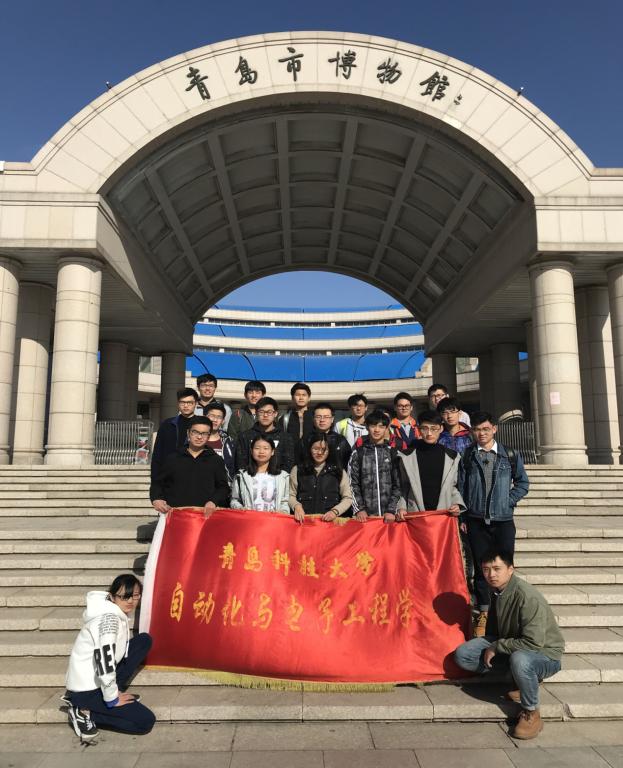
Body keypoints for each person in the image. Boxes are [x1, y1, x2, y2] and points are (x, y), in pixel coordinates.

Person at [454, 549, 564, 740]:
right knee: (464, 654)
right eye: (486, 569)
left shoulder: (527, 597)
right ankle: (520, 679)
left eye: (497, 569)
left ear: (510, 569)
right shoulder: (497, 591)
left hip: (543, 655)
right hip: (512, 644)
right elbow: (495, 632)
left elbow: (533, 642)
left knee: (520, 660)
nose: (491, 574)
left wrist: (496, 647)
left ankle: (531, 712)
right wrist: (490, 644)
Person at [460, 411, 530, 638]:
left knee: (504, 567)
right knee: (482, 568)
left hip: (503, 521)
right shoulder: (468, 455)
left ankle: (507, 612)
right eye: (477, 430)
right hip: (476, 520)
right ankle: (484, 612)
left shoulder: (509, 454)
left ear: (494, 429)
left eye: (485, 429)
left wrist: (507, 502)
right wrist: (463, 517)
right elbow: (461, 488)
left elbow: (522, 483)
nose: (481, 434)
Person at [64, 574, 155, 742]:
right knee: (145, 721)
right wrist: (113, 698)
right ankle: (83, 711)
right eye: (124, 596)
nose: (130, 601)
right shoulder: (109, 621)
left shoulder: (115, 614)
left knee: (143, 641)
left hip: (99, 679)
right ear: (112, 597)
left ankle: (109, 691)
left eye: (135, 595)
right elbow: (104, 662)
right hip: (87, 690)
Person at [150, 415, 230, 516]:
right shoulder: (173, 458)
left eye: (204, 433)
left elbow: (223, 488)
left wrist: (213, 501)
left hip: (204, 516)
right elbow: (157, 483)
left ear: (209, 436)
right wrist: (156, 498)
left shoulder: (216, 460)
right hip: (175, 515)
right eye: (195, 432)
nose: (199, 437)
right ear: (188, 433)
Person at [394, 409, 464, 520]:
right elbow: (403, 486)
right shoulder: (406, 456)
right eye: (425, 428)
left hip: (444, 515)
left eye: (434, 428)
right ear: (418, 429)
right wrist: (401, 507)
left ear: (441, 428)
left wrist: (457, 504)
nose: (429, 433)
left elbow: (452, 487)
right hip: (416, 514)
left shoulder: (452, 456)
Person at [348, 410, 401, 522]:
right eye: (373, 426)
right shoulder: (358, 453)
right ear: (367, 427)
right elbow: (352, 484)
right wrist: (359, 509)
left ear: (386, 428)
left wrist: (392, 510)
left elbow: (399, 484)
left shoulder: (393, 453)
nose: (377, 430)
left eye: (381, 426)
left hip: (390, 517)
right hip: (365, 517)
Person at [290, 434, 352, 522]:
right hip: (304, 523)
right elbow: (290, 495)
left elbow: (348, 498)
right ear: (309, 449)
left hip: (330, 524)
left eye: (324, 449)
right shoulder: (297, 470)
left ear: (329, 450)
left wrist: (335, 511)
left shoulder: (339, 471)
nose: (319, 453)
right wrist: (296, 506)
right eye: (315, 449)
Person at [234, 396, 296, 473]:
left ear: (275, 414)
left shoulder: (285, 437)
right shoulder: (245, 436)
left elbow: (288, 464)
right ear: (256, 413)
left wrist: (277, 477)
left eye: (269, 412)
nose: (265, 415)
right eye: (261, 412)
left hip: (278, 478)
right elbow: (240, 463)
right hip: (250, 478)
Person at [150, 388, 199, 484]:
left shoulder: (201, 425)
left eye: (189, 403)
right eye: (182, 402)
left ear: (196, 404)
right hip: (169, 477)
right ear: (178, 404)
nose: (185, 406)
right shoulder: (167, 424)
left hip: (194, 477)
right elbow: (157, 454)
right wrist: (155, 482)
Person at [230, 434, 290, 513]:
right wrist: (240, 508)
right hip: (249, 519)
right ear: (251, 451)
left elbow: (285, 502)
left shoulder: (282, 476)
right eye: (257, 448)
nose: (261, 452)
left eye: (266, 448)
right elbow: (234, 500)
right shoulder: (241, 476)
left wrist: (282, 512)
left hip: (273, 519)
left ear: (272, 451)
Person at [299, 402, 352, 467]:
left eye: (326, 417)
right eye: (318, 417)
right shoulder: (305, 440)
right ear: (313, 419)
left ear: (332, 419)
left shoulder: (340, 440)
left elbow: (348, 463)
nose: (322, 420)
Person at [204, 402, 235, 479]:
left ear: (223, 421)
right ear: (204, 417)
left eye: (219, 417)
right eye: (212, 416)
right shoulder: (195, 440)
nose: (215, 420)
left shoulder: (229, 442)